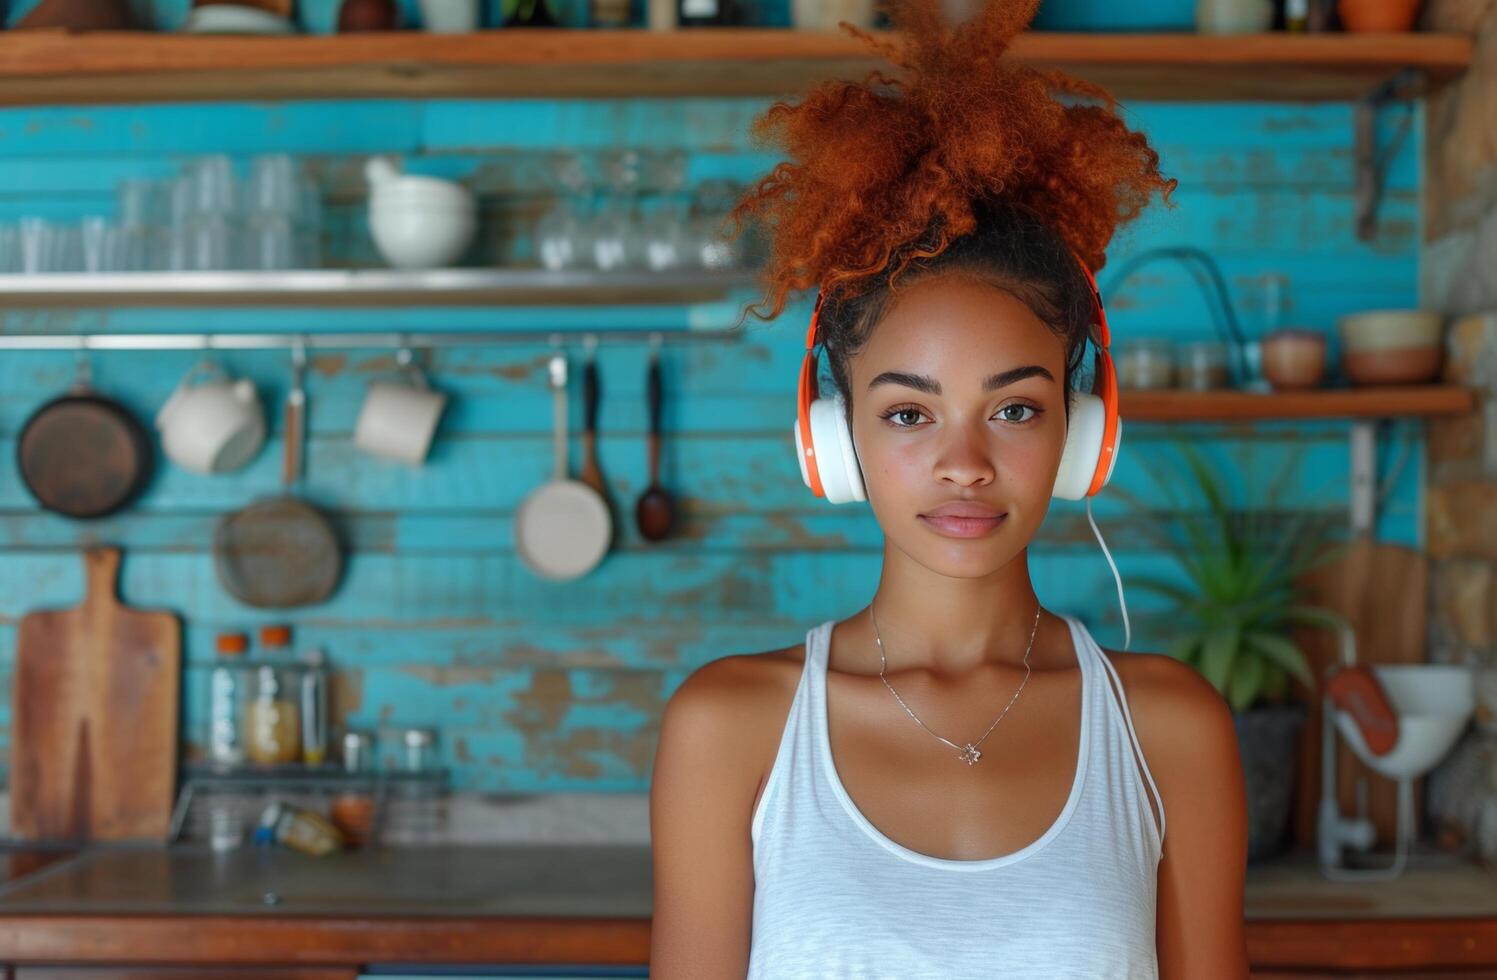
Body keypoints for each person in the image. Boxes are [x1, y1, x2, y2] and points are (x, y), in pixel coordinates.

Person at [649, 1, 1250, 976]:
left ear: (1082, 430)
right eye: (908, 412)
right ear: (831, 435)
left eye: (1012, 409)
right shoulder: (727, 727)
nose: (964, 461)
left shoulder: (1170, 729)